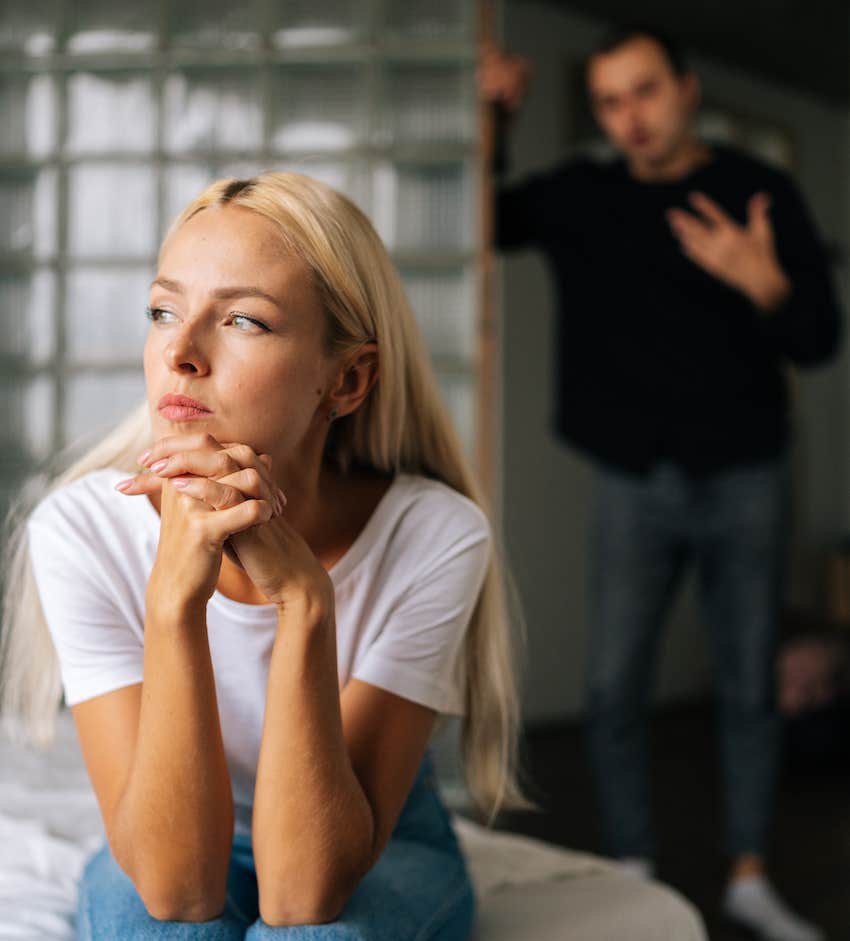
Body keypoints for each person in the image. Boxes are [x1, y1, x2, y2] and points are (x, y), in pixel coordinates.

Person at [0, 171, 531, 939]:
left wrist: (307, 604)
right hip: (169, 834)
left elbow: (303, 895)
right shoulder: (81, 529)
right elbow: (178, 889)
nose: (180, 352)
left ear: (345, 379)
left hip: (369, 845)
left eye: (244, 320)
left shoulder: (433, 534)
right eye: (162, 310)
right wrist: (174, 601)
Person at [479, 22, 842, 941]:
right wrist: (493, 113)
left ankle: (750, 874)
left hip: (749, 474)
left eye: (644, 91)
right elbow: (486, 217)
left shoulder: (759, 191)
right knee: (610, 687)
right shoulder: (583, 195)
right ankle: (635, 867)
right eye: (609, 100)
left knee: (751, 685)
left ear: (686, 91)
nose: (629, 117)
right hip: (634, 480)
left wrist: (763, 282)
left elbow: (820, 339)